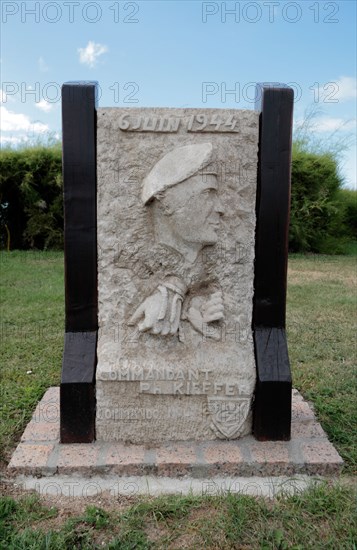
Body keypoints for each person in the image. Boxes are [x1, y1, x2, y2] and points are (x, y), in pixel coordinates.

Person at [128, 142, 224, 338]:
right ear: (167, 203)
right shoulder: (131, 265)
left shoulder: (209, 268)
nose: (221, 208)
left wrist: (191, 305)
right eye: (207, 194)